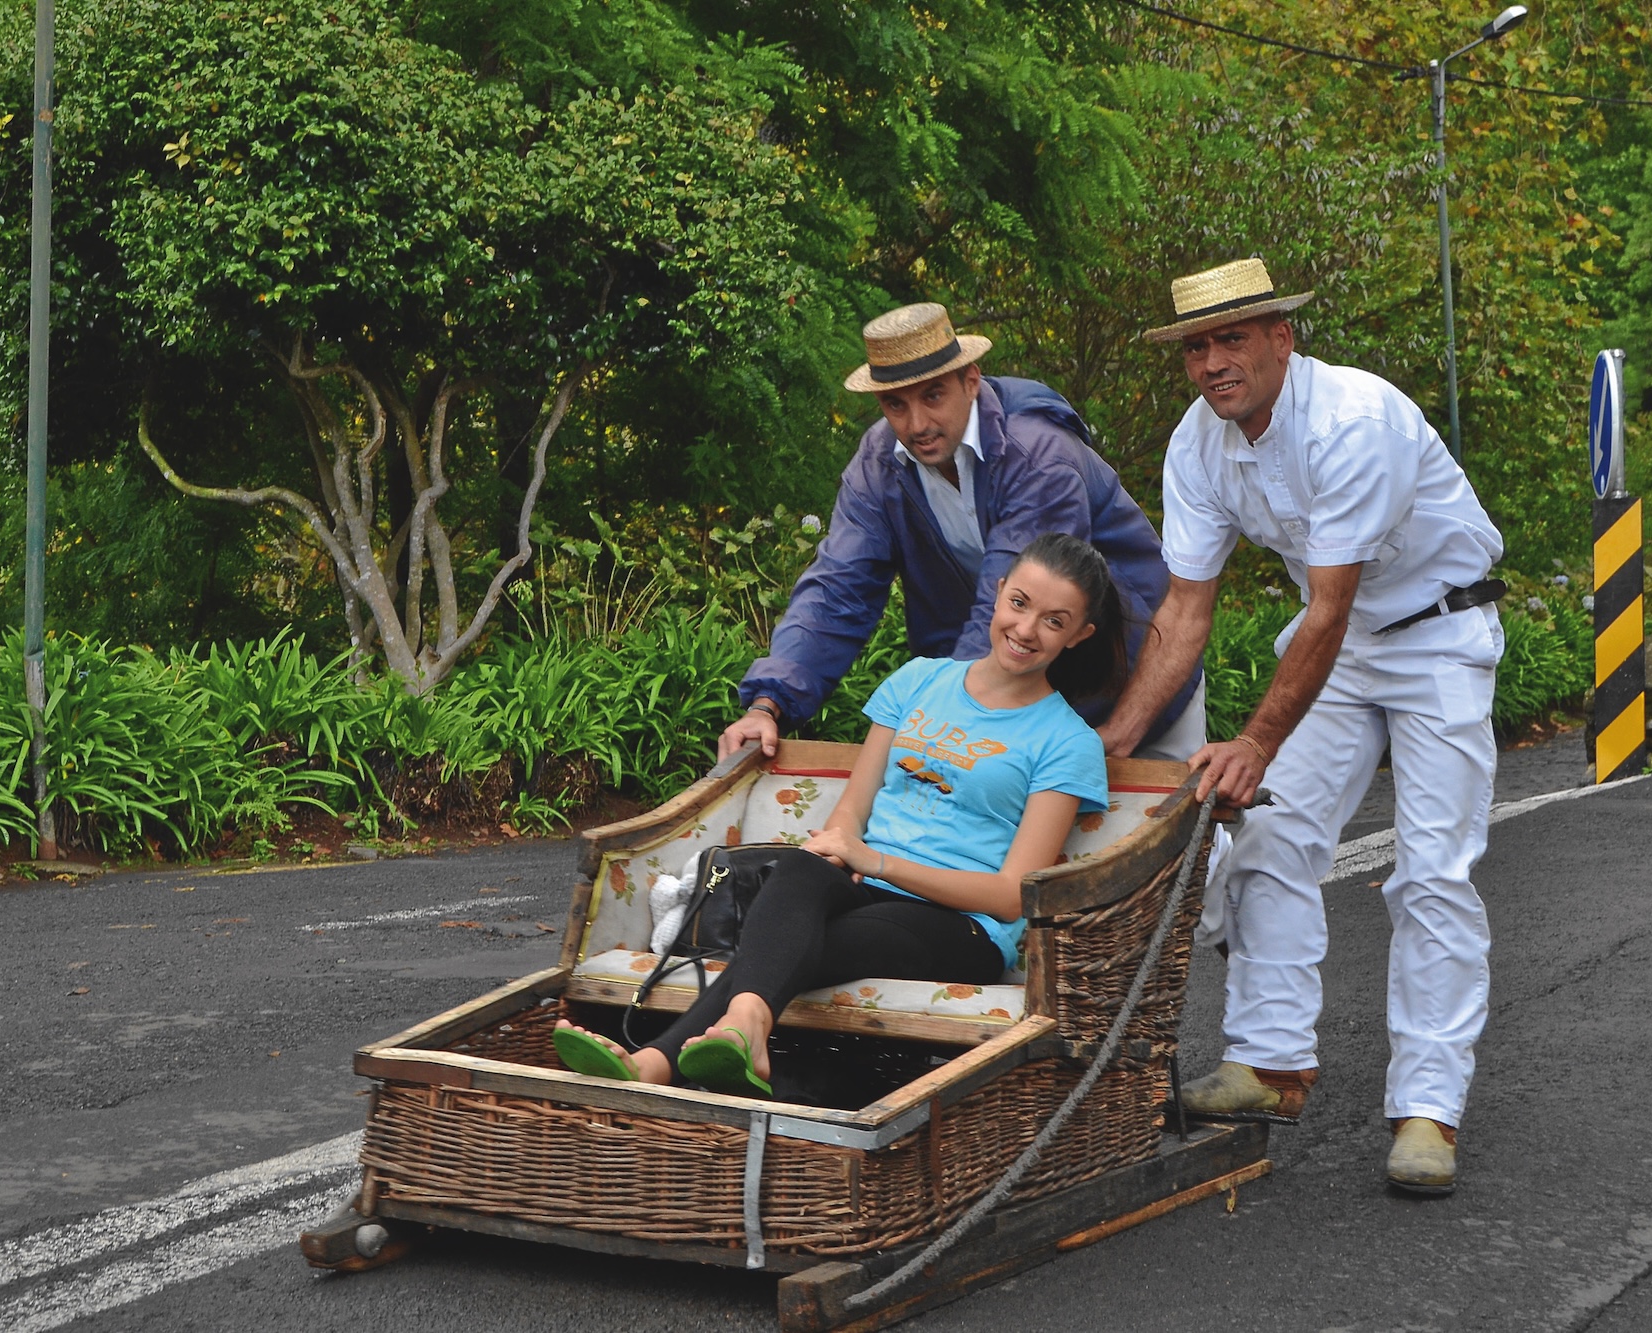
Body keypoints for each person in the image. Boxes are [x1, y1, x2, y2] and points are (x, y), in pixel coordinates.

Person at [1096, 258, 1506, 1197]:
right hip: (1344, 640)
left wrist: (1255, 743)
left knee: (1432, 871)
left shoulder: (1353, 421)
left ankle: (1428, 1111)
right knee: (1270, 830)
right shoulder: (1198, 443)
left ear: (1283, 337)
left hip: (1438, 635)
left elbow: (1327, 608)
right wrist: (1113, 740)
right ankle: (1270, 1065)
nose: (1212, 362)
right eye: (1197, 345)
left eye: (1232, 337)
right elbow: (1184, 612)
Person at [554, 533, 1119, 1095]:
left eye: (1053, 620)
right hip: (865, 883)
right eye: (1019, 603)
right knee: (799, 869)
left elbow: (1012, 893)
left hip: (961, 926)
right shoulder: (920, 681)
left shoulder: (1066, 741)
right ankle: (744, 1029)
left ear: (1079, 634)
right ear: (997, 593)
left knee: (803, 939)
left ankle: (655, 1061)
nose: (1024, 629)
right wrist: (843, 845)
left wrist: (874, 861)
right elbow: (853, 807)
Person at [719, 302, 1204, 765]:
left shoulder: (1037, 457)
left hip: (1133, 677)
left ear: (970, 381)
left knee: (1164, 837)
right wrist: (768, 703)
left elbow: (1018, 599)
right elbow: (837, 590)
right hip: (1016, 696)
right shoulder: (877, 467)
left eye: (933, 396)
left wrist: (944, 722)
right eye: (895, 404)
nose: (917, 424)